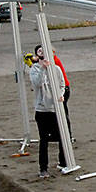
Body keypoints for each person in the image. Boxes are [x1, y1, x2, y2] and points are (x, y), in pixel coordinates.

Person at [29, 45, 68, 178]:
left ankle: (64, 162)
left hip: (55, 108)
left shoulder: (56, 69)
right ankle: (43, 168)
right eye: (39, 51)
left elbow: (62, 84)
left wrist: (61, 94)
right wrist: (43, 68)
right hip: (42, 110)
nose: (42, 53)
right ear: (37, 55)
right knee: (44, 139)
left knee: (62, 135)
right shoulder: (34, 69)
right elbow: (37, 83)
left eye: (44, 50)